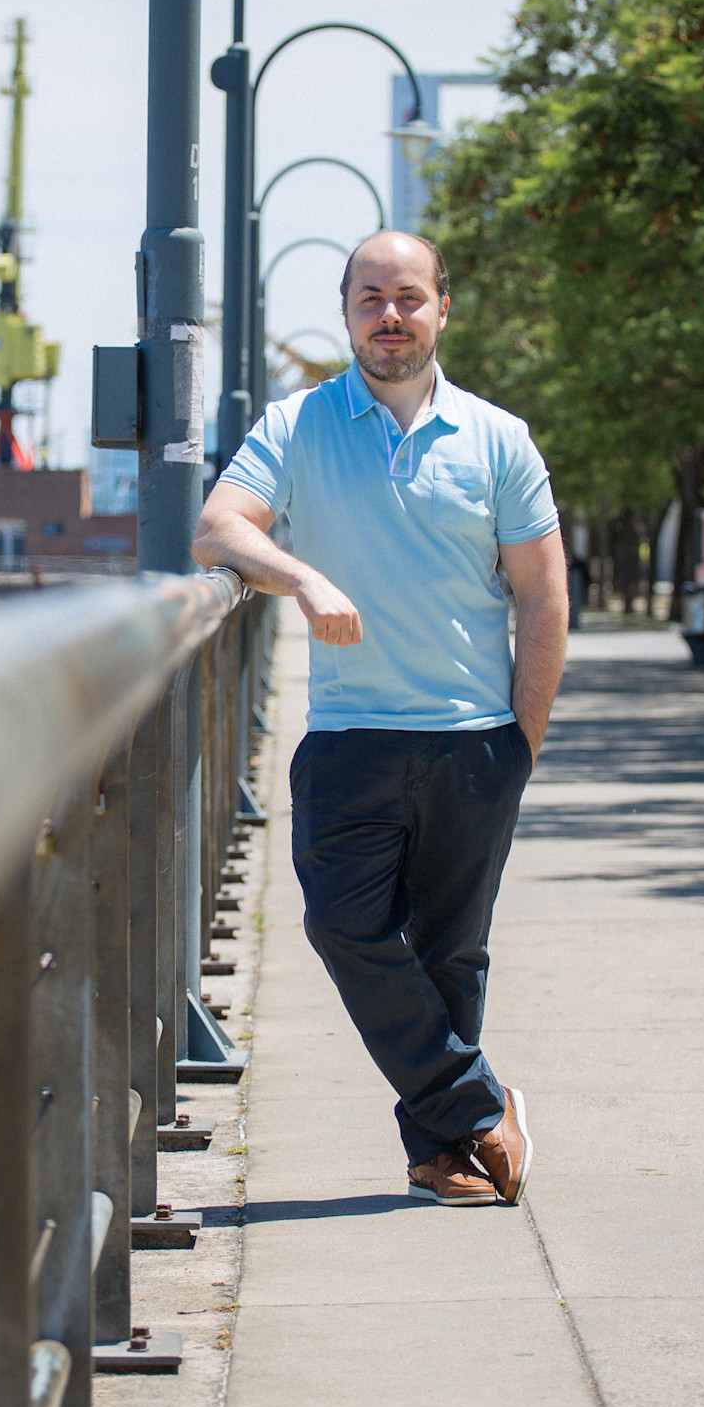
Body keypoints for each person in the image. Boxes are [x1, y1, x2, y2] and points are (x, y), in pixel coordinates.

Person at [193, 230, 568, 1208]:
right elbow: (218, 529)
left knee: (449, 952)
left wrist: (520, 742)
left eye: (409, 296)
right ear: (348, 309)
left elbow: (540, 595)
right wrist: (300, 575)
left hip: (474, 739)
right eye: (370, 297)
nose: (389, 315)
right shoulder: (299, 425)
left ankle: (441, 1151)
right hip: (352, 736)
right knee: (344, 926)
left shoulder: (499, 438)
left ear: (443, 308)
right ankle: (480, 1102)